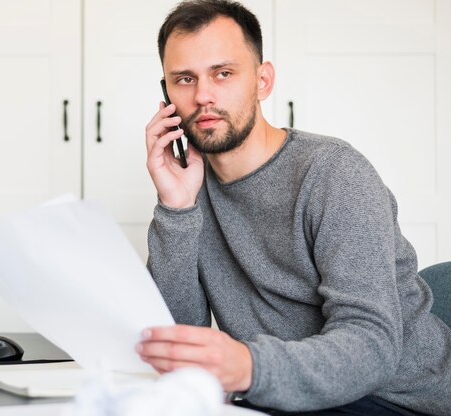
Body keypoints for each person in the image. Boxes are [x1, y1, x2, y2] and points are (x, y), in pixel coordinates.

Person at [136, 1, 451, 415]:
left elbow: (371, 345)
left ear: (263, 81)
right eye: (184, 79)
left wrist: (249, 367)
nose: (203, 96)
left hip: (395, 397)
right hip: (283, 395)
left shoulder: (334, 174)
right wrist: (176, 208)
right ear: (166, 96)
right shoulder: (190, 186)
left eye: (223, 73)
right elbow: (180, 341)